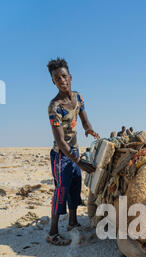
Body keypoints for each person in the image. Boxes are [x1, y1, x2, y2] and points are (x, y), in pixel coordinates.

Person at [47, 57, 100, 245]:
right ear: (53, 82)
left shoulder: (78, 97)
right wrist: (79, 162)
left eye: (63, 76)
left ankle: (72, 222)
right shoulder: (55, 107)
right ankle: (52, 232)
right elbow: (61, 141)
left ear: (70, 76)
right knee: (61, 190)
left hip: (75, 152)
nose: (61, 81)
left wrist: (89, 129)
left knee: (75, 188)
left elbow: (85, 119)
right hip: (61, 156)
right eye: (56, 79)